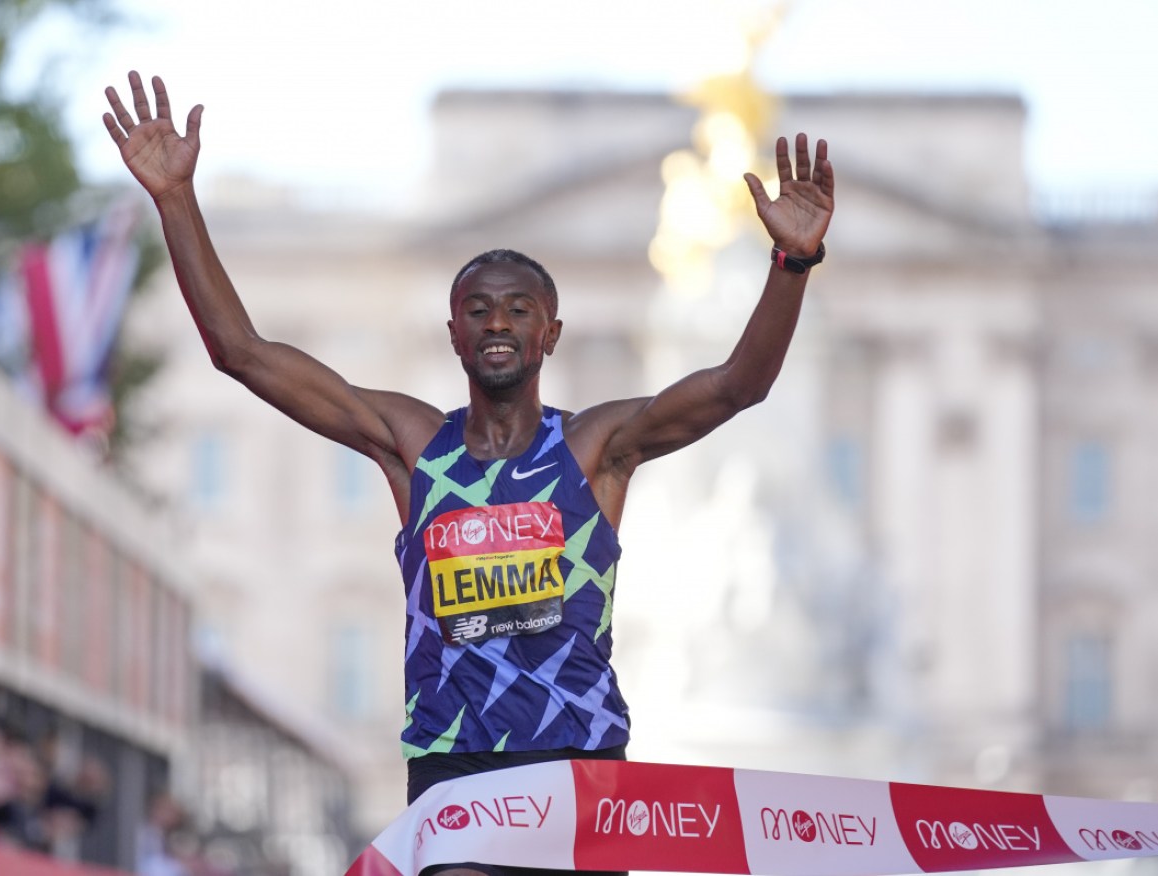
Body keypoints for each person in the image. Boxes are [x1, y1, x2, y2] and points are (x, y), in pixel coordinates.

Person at [104, 71, 834, 876]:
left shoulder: (597, 448)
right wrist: (175, 200)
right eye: (479, 309)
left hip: (577, 760)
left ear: (550, 333)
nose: (498, 322)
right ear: (452, 332)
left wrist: (791, 264)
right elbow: (241, 354)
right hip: (454, 765)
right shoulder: (413, 446)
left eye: (519, 309)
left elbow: (738, 386)